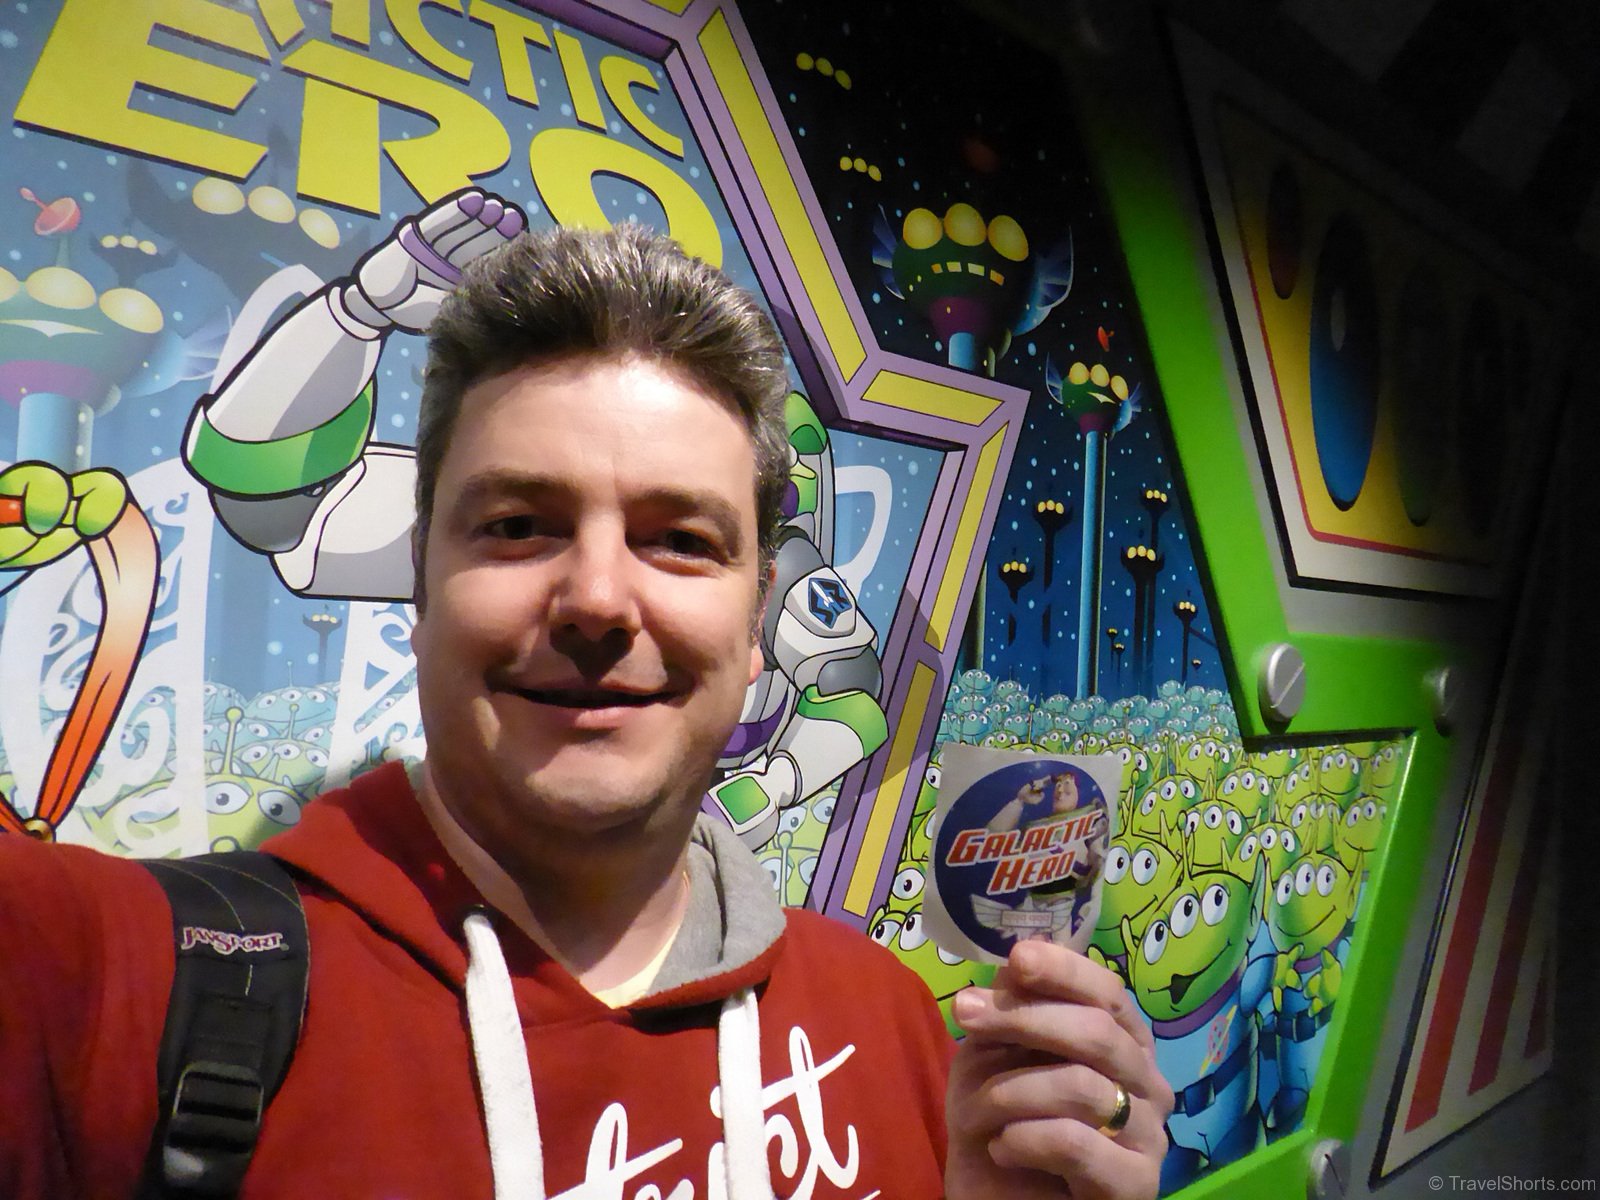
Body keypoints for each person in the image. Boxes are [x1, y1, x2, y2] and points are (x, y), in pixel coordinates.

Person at [0, 219, 1172, 1198]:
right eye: (518, 525)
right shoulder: (112, 980)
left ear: (757, 619)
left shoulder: (892, 1027)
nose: (600, 600)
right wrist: (359, 311)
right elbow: (262, 476)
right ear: (419, 585)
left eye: (681, 539)